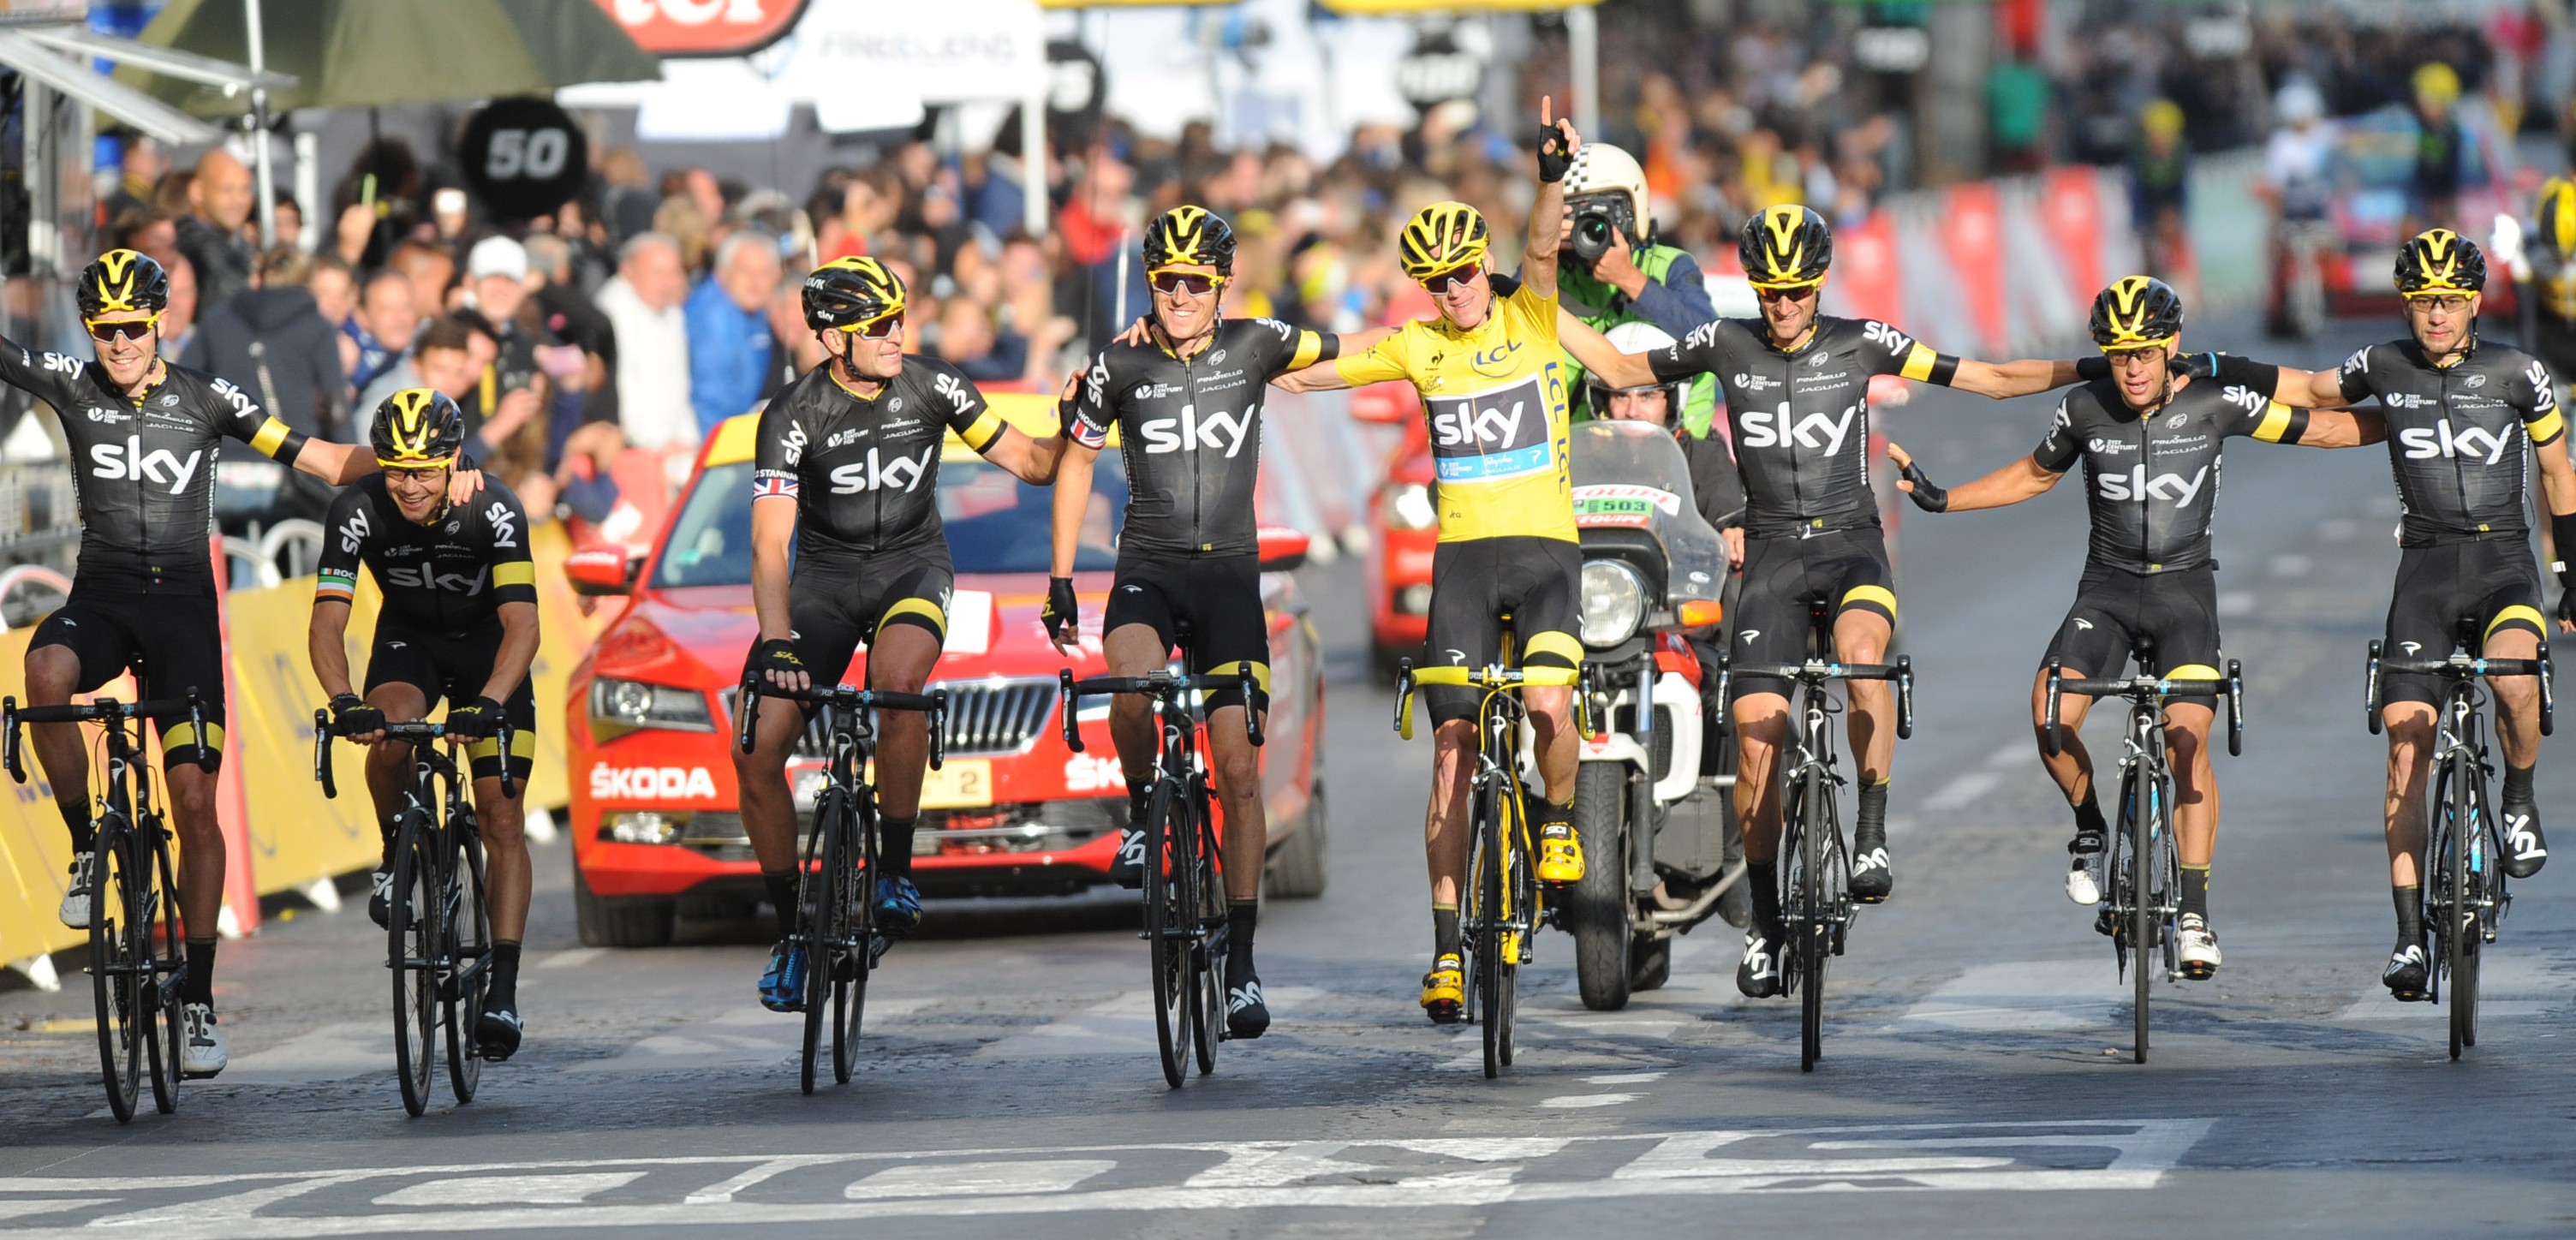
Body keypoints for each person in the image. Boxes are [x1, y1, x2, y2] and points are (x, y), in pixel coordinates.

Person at [1556, 203, 2084, 999]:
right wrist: (1531, 302)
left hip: (1848, 544)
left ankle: (1871, 832)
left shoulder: (1861, 342)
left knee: (1863, 655)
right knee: (1756, 734)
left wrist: (2100, 367)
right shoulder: (1727, 343)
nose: (1783, 305)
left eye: (1797, 291)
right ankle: (1766, 926)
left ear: (1819, 284)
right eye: (1770, 291)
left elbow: (1994, 379)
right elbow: (1625, 372)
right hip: (1770, 554)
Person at [1887, 277, 2378, 981]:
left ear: (2171, 345)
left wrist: (2419, 424)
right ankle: (2091, 829)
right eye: (2119, 355)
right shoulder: (2084, 407)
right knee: (2049, 713)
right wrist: (1943, 500)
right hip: (2109, 591)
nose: (2134, 368)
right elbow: (2032, 476)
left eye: (2146, 352)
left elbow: (2322, 427)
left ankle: (2196, 914)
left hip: (2185, 594)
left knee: (2187, 741)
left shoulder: (2215, 402)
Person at [18, 249, 402, 1078]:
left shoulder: (205, 397)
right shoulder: (72, 383)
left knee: (194, 801)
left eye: (134, 328)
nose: (120, 343)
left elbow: (328, 462)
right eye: (105, 329)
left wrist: (425, 458)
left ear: (162, 323)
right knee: (44, 675)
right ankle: (89, 845)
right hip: (106, 596)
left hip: (185, 609)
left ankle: (195, 997)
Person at [1267, 99, 1589, 1024]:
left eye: (1458, 273)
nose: (1450, 289)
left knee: (1543, 704)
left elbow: (1536, 246)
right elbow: (1303, 370)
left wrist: (1548, 176)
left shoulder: (1528, 314)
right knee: (1450, 759)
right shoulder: (1417, 344)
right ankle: (1447, 949)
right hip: (1461, 563)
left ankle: (1559, 824)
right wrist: (1208, 344)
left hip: (1543, 557)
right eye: (1432, 280)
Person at [1044, 206, 1357, 1040]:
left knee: (1239, 773)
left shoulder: (1255, 343)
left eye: (1194, 281)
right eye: (1165, 280)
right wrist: (1061, 576)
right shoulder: (1116, 362)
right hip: (1146, 569)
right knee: (1133, 695)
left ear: (1221, 284)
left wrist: (1457, 322)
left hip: (1226, 579)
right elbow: (1073, 462)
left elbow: (1363, 351)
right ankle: (1145, 813)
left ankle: (1244, 962)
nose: (1178, 294)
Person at [734, 256, 1064, 1013]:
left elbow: (1031, 463)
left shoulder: (933, 384)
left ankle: (895, 871)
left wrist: (1076, 422)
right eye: (877, 326)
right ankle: (791, 932)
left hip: (912, 569)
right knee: (755, 754)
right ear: (831, 338)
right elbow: (766, 545)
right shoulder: (791, 414)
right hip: (822, 584)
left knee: (898, 687)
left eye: (899, 319)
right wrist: (778, 641)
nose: (895, 335)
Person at [307, 389, 540, 1059]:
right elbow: (328, 621)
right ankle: (395, 856)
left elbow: (524, 625)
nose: (408, 485)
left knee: (502, 819)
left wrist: (491, 700)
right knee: (385, 729)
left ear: (453, 461)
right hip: (410, 642)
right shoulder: (356, 510)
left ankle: (502, 989)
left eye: (425, 470)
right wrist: (343, 696)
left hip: (489, 652)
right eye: (396, 468)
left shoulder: (493, 507)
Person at [1556, 142, 1720, 435]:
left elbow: (1709, 337)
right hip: (1584, 454)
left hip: (1680, 453)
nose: (1590, 228)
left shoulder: (1670, 265)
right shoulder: (1550, 277)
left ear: (1634, 210)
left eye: (1602, 214)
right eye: (1574, 215)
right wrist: (1542, 253)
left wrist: (1630, 279)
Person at [182, 245, 349, 442]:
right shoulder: (317, 326)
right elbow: (337, 409)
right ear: (308, 283)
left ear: (258, 278)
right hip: (292, 453)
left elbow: (184, 384)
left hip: (226, 453)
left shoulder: (217, 319)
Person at [593, 232, 695, 456]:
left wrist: (688, 441)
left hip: (673, 447)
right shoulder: (614, 311)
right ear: (627, 270)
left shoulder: (672, 312)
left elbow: (679, 384)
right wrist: (657, 444)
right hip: (634, 448)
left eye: (674, 273)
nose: (669, 283)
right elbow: (626, 386)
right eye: (658, 272)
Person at [685, 231, 784, 438]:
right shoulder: (713, 318)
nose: (755, 282)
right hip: (714, 441)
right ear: (722, 273)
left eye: (764, 273)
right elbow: (710, 401)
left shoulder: (753, 309)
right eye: (746, 272)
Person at [175, 149, 255, 311]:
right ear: (197, 192)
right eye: (226, 189)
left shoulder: (234, 242)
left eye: (244, 189)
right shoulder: (196, 245)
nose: (238, 200)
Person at [346, 268, 419, 396]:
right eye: (387, 309)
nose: (400, 318)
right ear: (362, 315)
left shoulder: (424, 352)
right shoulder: (347, 354)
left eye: (407, 307)